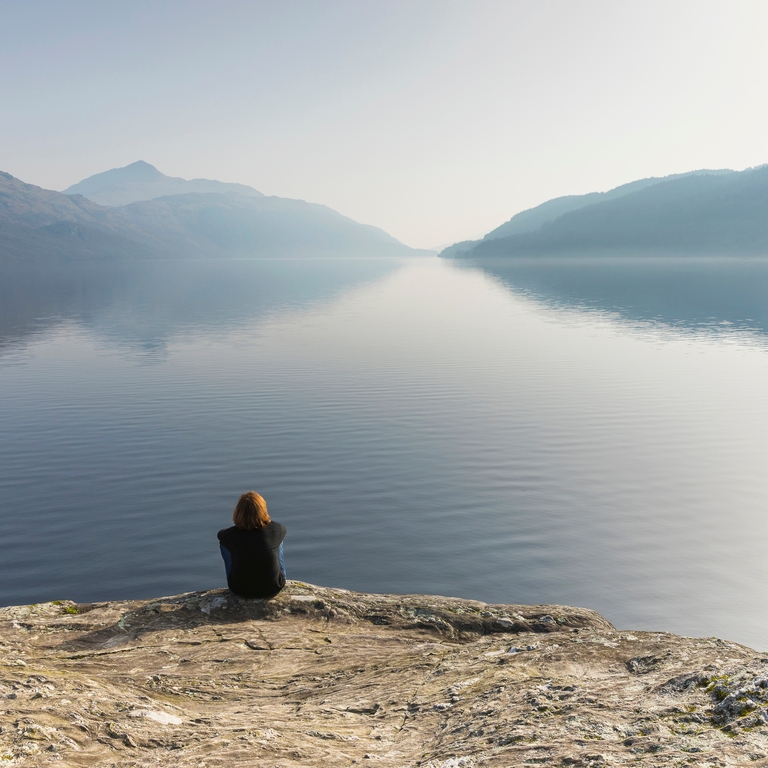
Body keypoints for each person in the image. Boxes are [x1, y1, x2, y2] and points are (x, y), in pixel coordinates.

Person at [217, 491, 287, 598]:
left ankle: (237, 576)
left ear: (238, 512)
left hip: (239, 589)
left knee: (225, 544)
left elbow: (220, 535)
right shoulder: (277, 529)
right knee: (278, 540)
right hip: (274, 587)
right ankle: (275, 575)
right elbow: (280, 529)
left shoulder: (228, 535)